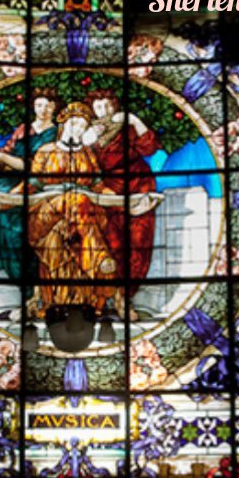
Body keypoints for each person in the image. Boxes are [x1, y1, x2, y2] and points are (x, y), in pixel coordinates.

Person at [26, 101, 118, 316]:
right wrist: (3, 200)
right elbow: (31, 185)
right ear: (63, 124)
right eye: (74, 123)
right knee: (77, 200)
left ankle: (81, 301)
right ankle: (100, 259)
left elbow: (98, 186)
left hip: (82, 216)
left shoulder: (87, 153)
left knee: (61, 239)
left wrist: (118, 198)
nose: (77, 129)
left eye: (82, 126)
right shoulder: (46, 151)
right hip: (47, 212)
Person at [0, 88, 62, 284]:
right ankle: (18, 284)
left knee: (21, 237)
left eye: (48, 106)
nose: (43, 110)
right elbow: (7, 151)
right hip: (5, 184)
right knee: (5, 238)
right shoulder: (25, 128)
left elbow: (38, 167)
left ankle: (31, 286)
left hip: (33, 188)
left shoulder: (57, 134)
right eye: (39, 105)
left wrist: (2, 157)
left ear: (54, 108)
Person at [84, 89, 161, 313]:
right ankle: (107, 296)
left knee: (138, 243)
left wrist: (134, 120)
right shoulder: (88, 134)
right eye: (99, 106)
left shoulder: (127, 128)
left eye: (108, 105)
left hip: (137, 187)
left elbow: (149, 148)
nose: (104, 110)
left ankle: (126, 298)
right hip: (107, 194)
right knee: (110, 245)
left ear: (115, 106)